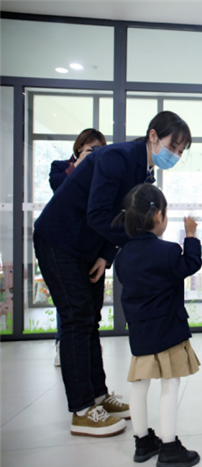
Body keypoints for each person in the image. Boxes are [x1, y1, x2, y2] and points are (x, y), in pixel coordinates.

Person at [33, 111, 191, 437]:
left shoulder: (143, 172)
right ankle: (81, 410)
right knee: (77, 317)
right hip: (58, 241)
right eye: (172, 146)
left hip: (88, 248)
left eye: (181, 150)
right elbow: (100, 213)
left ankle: (98, 397)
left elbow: (118, 217)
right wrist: (140, 245)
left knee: (90, 318)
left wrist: (106, 255)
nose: (174, 155)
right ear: (152, 136)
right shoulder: (117, 157)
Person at [113, 184, 201, 467]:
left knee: (139, 385)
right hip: (169, 329)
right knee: (170, 384)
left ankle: (142, 442)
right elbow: (190, 264)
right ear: (159, 216)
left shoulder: (122, 256)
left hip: (139, 330)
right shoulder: (167, 251)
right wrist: (190, 236)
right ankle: (169, 446)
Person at [49, 128, 107, 367]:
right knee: (71, 307)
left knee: (91, 309)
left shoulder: (103, 172)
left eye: (99, 150)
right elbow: (59, 189)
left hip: (92, 247)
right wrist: (78, 166)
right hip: (64, 246)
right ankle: (63, 344)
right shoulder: (60, 167)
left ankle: (89, 348)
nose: (95, 154)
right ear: (79, 148)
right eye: (90, 149)